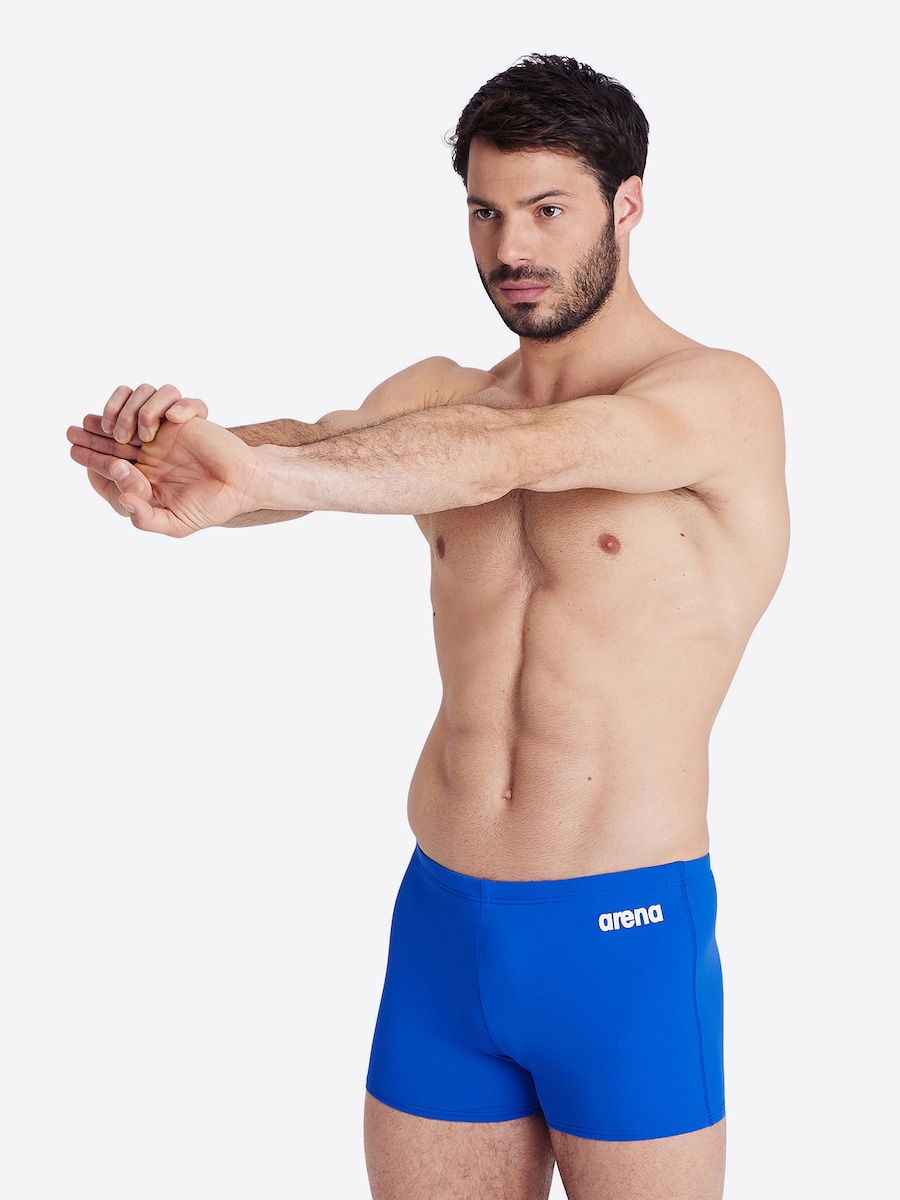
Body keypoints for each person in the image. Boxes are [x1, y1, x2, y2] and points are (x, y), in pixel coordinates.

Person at [67, 54, 789, 1200]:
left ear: (629, 204)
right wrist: (175, 464)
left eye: (548, 209)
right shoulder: (442, 398)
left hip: (623, 937)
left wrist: (260, 472)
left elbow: (524, 452)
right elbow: (321, 447)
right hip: (443, 926)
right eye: (486, 212)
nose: (512, 248)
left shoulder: (716, 400)